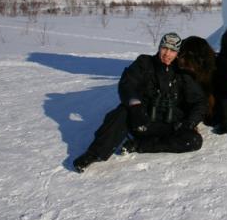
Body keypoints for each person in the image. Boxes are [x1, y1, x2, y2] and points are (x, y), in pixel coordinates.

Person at [73, 33, 208, 173]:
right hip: (141, 122)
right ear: (159, 47)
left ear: (177, 53)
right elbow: (127, 84)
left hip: (168, 126)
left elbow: (199, 102)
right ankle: (93, 154)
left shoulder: (182, 72)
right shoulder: (144, 63)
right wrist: (135, 106)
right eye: (164, 48)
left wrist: (189, 123)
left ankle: (139, 145)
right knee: (121, 112)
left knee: (193, 141)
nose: (167, 54)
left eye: (172, 50)